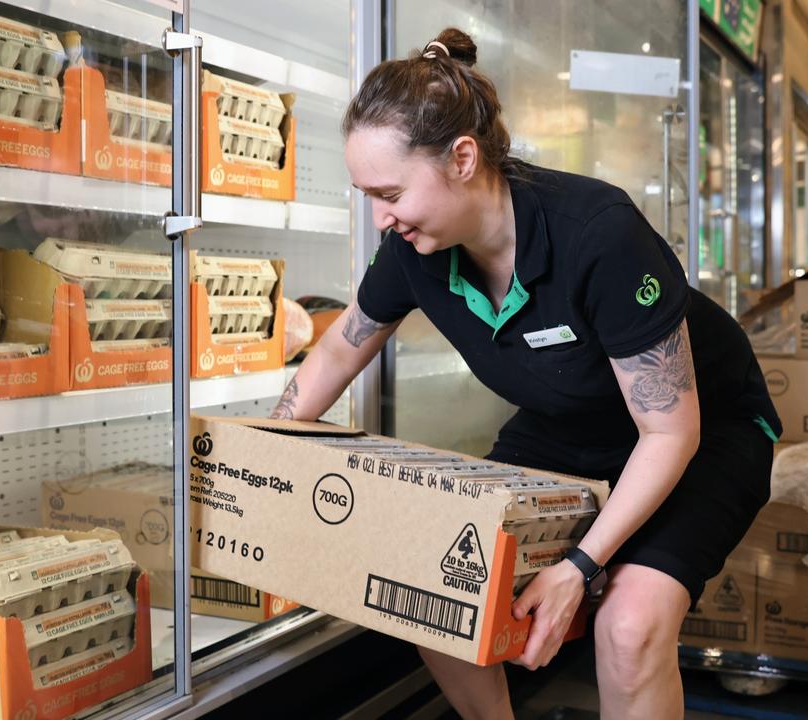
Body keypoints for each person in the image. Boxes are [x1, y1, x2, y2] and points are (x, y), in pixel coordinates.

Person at [270, 28, 779, 720]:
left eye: (388, 192)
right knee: (433, 585)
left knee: (628, 628)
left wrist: (581, 568)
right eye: (367, 196)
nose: (380, 218)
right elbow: (337, 350)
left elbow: (669, 431)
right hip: (570, 422)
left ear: (461, 158)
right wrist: (265, 458)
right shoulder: (413, 248)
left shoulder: (598, 233)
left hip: (698, 431)